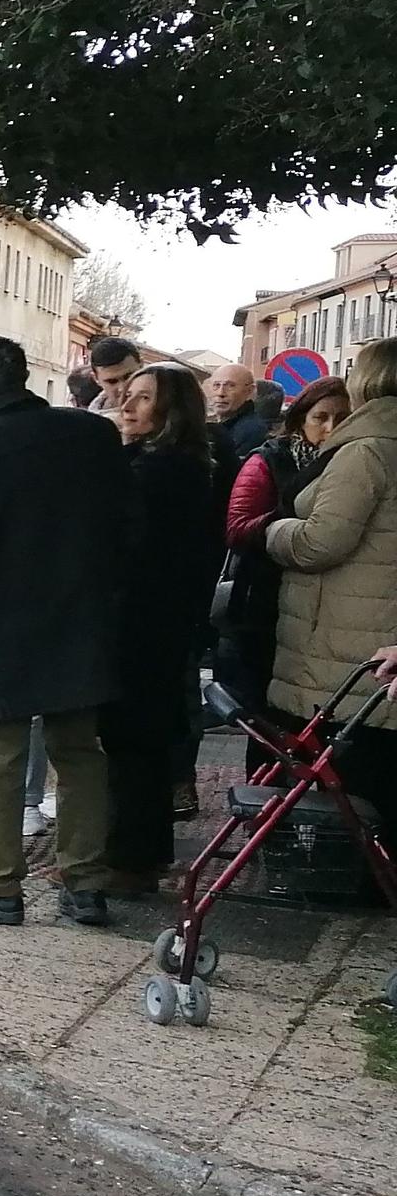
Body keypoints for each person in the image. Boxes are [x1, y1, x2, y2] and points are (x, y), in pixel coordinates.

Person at [0, 335, 133, 929]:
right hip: (79, 619)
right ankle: (86, 886)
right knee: (81, 752)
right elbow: (123, 528)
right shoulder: (93, 435)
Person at [265, 337, 397, 832]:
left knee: (355, 782)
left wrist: (273, 530)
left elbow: (322, 542)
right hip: (378, 631)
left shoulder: (366, 450)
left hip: (347, 640)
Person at [104, 363, 218, 893]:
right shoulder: (173, 465)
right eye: (127, 396)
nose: (127, 406)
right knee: (141, 744)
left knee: (132, 743)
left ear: (172, 410)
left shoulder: (163, 472)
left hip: (144, 624)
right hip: (158, 623)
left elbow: (130, 552)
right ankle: (140, 855)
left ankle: (128, 863)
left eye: (143, 399)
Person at [215, 375, 350, 714]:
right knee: (265, 708)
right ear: (301, 419)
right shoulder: (269, 460)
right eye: (321, 417)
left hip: (328, 610)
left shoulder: (353, 464)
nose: (331, 428)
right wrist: (291, 523)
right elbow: (237, 528)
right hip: (265, 603)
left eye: (343, 418)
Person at [207, 361, 269, 463]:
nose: (221, 393)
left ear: (249, 391)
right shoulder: (219, 427)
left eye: (230, 386)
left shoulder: (253, 431)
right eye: (216, 385)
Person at [86, 335, 142, 421]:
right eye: (112, 381)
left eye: (129, 376)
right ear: (96, 379)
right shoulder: (88, 422)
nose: (123, 388)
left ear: (141, 366)